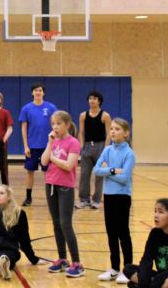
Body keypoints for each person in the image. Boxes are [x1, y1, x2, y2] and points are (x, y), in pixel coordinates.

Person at [41, 110, 84, 278]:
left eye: (58, 123)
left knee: (66, 224)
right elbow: (44, 161)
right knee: (56, 223)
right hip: (50, 184)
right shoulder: (54, 142)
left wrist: (53, 159)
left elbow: (68, 165)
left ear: (66, 125)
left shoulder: (73, 143)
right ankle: (62, 259)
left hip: (65, 186)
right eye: (53, 124)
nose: (55, 127)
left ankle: (77, 263)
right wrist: (50, 144)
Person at [94, 118, 136, 284]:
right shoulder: (107, 150)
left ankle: (128, 269)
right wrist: (112, 170)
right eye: (111, 129)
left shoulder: (129, 153)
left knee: (123, 233)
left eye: (117, 129)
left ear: (126, 133)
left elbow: (125, 178)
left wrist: (108, 173)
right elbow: (97, 170)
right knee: (111, 233)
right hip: (109, 196)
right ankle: (114, 268)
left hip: (122, 197)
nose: (112, 131)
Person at [18, 82, 57, 207]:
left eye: (40, 90)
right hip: (32, 146)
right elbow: (24, 128)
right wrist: (25, 146)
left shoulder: (51, 107)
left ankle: (52, 197)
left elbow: (57, 125)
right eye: (35, 90)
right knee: (30, 171)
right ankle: (28, 198)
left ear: (43, 92)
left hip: (48, 146)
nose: (38, 92)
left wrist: (54, 143)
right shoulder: (26, 108)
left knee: (49, 172)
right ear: (32, 93)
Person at [121, 198, 168, 288]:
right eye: (155, 211)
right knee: (128, 268)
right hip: (159, 275)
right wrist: (143, 278)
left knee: (158, 281)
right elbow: (147, 258)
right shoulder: (155, 233)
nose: (156, 215)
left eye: (160, 212)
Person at [76, 90, 111, 210]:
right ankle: (84, 200)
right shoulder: (83, 115)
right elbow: (80, 132)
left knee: (99, 175)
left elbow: (109, 134)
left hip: (100, 146)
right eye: (90, 98)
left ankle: (96, 200)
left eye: (94, 98)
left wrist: (106, 149)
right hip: (87, 146)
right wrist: (81, 146)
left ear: (99, 101)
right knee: (84, 174)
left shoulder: (105, 116)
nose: (92, 101)